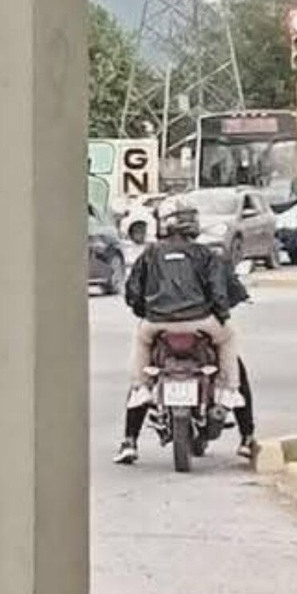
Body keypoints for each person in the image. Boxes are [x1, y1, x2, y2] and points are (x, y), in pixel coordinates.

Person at [115, 194, 246, 465]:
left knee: (142, 351)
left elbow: (133, 294)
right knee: (229, 340)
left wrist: (146, 312)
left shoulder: (149, 254)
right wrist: (222, 313)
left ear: (163, 224)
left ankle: (130, 439)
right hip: (202, 322)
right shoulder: (206, 254)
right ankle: (241, 422)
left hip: (157, 323)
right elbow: (221, 292)